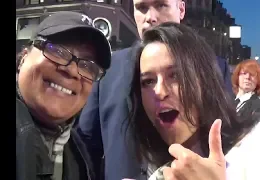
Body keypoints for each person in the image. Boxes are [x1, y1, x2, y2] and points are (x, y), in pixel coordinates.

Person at [77, 0, 233, 179]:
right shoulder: (108, 68)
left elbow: (224, 139)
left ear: (181, 9)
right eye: (142, 8)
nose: (150, 17)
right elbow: (86, 148)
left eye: (161, 5)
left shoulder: (214, 66)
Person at [127, 22, 260, 180]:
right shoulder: (161, 174)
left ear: (205, 80)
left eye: (175, 75)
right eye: (148, 81)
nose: (159, 92)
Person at [16, 11, 111, 180]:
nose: (73, 70)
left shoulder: (78, 153)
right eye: (57, 51)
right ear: (23, 58)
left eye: (87, 66)